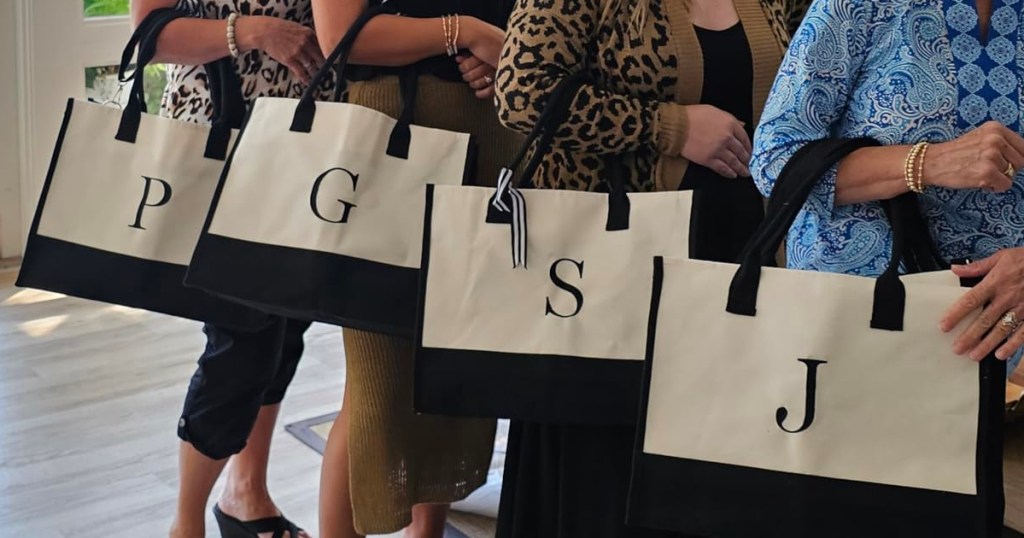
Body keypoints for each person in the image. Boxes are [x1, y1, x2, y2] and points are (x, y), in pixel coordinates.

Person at [492, 0, 810, 536]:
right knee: (604, 486)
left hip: (732, 272)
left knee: (705, 478)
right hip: (609, 284)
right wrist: (669, 126)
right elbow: (521, 91)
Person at [309, 1, 521, 537]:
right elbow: (341, 36)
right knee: (376, 385)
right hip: (395, 129)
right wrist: (464, 34)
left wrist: (508, 56)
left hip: (489, 129)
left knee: (451, 371)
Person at [131, 1, 329, 537]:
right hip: (222, 150)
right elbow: (153, 34)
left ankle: (247, 493)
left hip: (311, 149)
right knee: (243, 340)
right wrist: (257, 32)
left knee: (284, 331)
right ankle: (185, 522)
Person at [751, 0, 1024, 380]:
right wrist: (926, 162)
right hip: (848, 332)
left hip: (993, 347)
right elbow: (775, 158)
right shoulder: (861, 5)